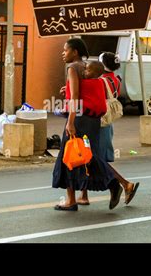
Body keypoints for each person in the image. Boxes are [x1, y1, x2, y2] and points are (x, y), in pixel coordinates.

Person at [52, 38, 123, 211]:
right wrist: (67, 90)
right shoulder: (86, 67)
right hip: (92, 120)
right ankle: (112, 184)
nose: (63, 53)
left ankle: (73, 200)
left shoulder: (72, 68)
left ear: (74, 52)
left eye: (65, 50)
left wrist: (70, 122)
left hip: (79, 119)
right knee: (88, 155)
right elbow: (82, 91)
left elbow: (75, 97)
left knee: (68, 157)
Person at [77, 52, 140, 206]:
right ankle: (84, 194)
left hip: (98, 123)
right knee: (92, 159)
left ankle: (125, 184)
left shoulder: (100, 81)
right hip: (108, 123)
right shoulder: (116, 79)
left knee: (94, 158)